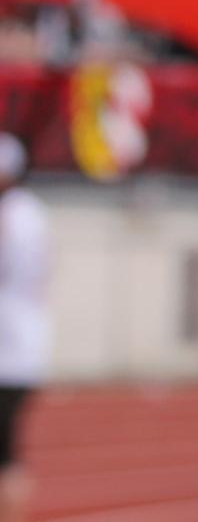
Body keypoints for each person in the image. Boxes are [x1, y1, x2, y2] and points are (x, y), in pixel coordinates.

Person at [0, 134, 47, 522]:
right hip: (19, 345)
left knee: (6, 449)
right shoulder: (30, 212)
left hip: (10, 349)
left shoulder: (16, 215)